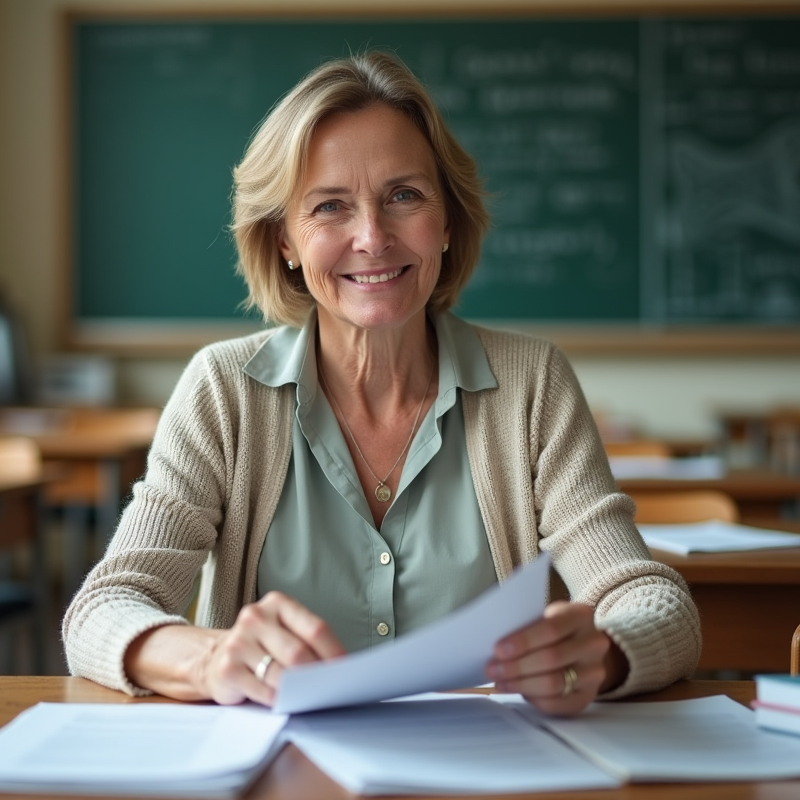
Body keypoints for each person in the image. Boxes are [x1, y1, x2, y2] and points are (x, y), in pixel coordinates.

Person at [63, 51, 700, 716]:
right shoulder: (224, 390)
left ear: (447, 220)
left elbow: (659, 607)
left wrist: (602, 651)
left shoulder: (532, 383)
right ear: (284, 239)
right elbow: (103, 609)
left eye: (404, 196)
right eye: (330, 206)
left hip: (487, 773)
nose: (372, 237)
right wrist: (209, 658)